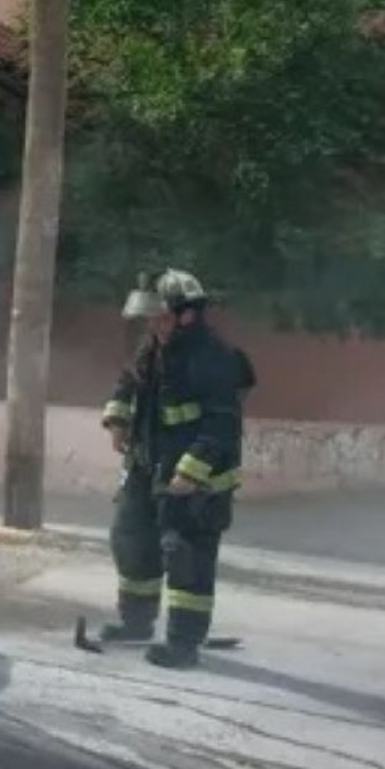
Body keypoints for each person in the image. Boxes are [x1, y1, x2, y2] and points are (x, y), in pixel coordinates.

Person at [98, 270, 255, 669]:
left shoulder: (214, 358)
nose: (153, 325)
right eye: (149, 318)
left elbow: (221, 426)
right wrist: (117, 419)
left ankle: (183, 643)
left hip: (196, 481)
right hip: (147, 467)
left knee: (187, 557)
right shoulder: (153, 348)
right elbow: (127, 383)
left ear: (188, 315)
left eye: (161, 317)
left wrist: (190, 473)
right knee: (131, 540)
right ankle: (136, 623)